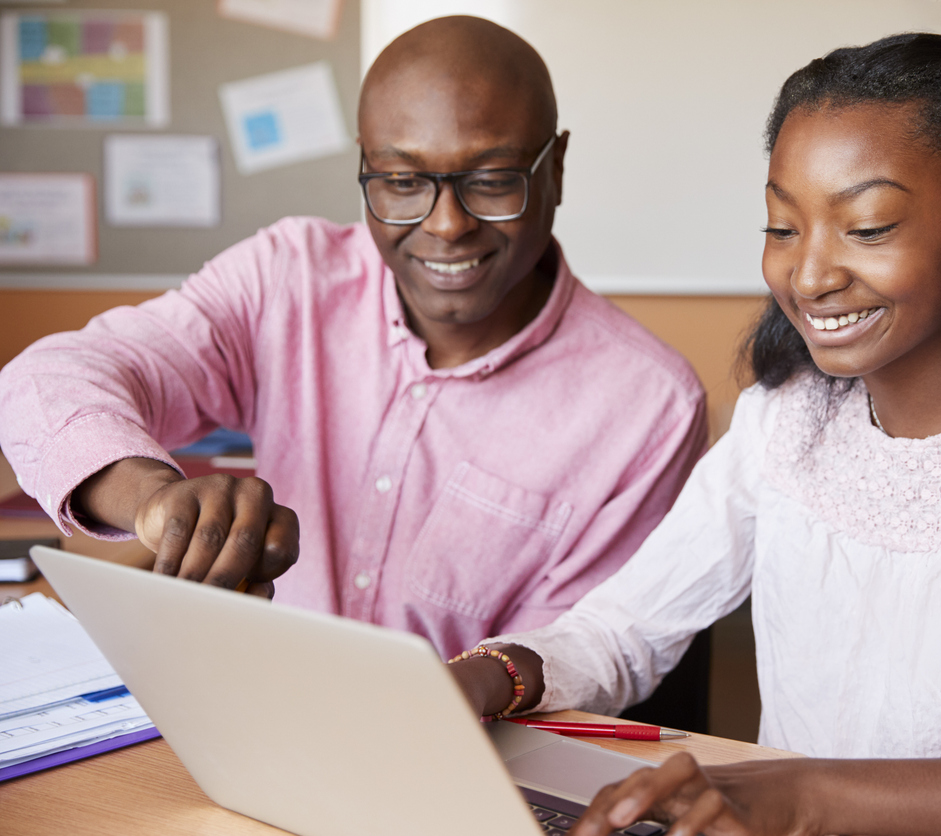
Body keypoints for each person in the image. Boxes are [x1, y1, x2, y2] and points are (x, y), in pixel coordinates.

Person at [446, 33, 941, 835]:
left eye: (866, 228)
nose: (809, 276)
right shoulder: (786, 418)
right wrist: (491, 675)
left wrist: (807, 797)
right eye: (782, 228)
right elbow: (622, 630)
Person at [0, 17, 707, 660]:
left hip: (462, 746)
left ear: (556, 167)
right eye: (401, 181)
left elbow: (570, 662)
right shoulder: (286, 278)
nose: (446, 224)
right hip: (247, 713)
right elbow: (45, 379)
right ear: (365, 166)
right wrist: (152, 499)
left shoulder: (649, 407)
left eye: (493, 180)